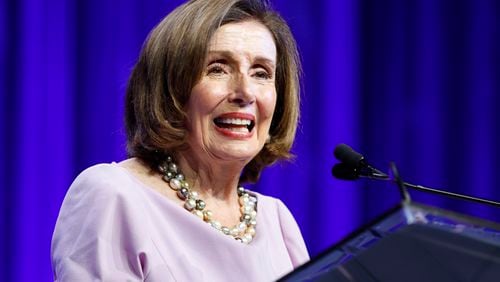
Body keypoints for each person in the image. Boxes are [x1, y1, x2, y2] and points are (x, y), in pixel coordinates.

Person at [51, 0, 309, 280]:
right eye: (218, 68)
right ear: (171, 87)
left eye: (261, 73)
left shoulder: (277, 222)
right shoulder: (114, 195)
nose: (245, 92)